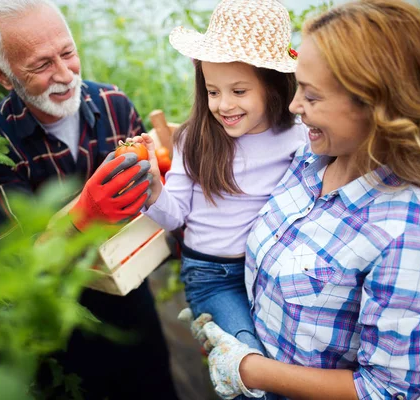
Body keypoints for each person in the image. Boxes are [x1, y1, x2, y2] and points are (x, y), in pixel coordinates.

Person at [188, 1, 420, 399]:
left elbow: (387, 391)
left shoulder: (408, 233)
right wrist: (232, 337)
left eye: (311, 97)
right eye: (298, 87)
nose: (295, 106)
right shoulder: (306, 162)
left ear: (375, 105)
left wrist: (251, 368)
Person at [0, 1, 179, 399]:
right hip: (60, 320)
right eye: (41, 65)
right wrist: (83, 215)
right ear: (3, 76)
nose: (64, 75)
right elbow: (20, 268)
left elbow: (152, 205)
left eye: (68, 53)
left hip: (132, 291)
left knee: (155, 385)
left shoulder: (115, 105)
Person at [132, 1, 307, 398]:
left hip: (266, 273)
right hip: (213, 277)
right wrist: (152, 190)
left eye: (239, 91)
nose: (224, 104)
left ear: (274, 85)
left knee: (291, 361)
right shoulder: (195, 139)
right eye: (213, 91)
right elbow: (173, 215)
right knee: (253, 363)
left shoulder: (297, 137)